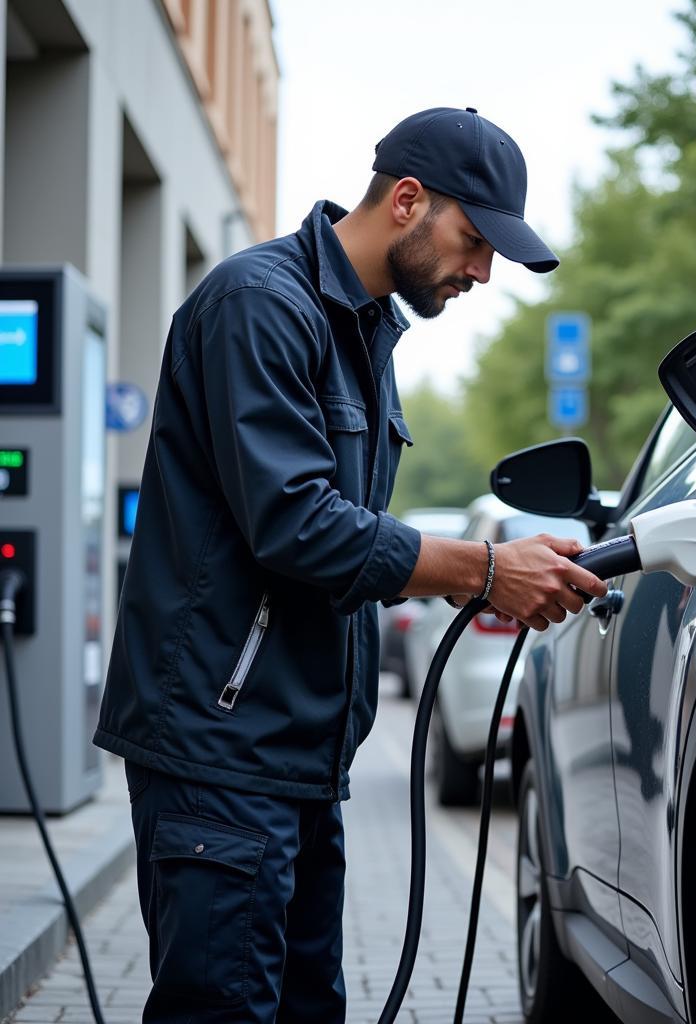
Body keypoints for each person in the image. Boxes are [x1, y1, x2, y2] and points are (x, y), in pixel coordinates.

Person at [93, 107, 607, 1023]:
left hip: (295, 756)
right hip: (222, 751)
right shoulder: (260, 304)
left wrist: (486, 567)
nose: (483, 271)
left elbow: (348, 529)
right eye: (476, 239)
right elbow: (298, 524)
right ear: (407, 201)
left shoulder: (363, 332)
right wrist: (484, 569)